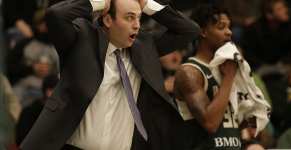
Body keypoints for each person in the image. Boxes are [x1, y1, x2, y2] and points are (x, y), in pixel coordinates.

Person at [20, 0, 200, 149]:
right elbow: (56, 15)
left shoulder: (144, 46)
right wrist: (98, 2)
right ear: (107, 20)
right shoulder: (81, 40)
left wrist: (148, 5)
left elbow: (190, 30)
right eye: (129, 18)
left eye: (138, 18)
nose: (137, 25)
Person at [174, 5, 243, 150]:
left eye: (229, 27)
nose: (229, 32)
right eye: (221, 27)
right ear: (203, 31)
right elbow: (210, 123)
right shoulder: (190, 72)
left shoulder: (229, 67)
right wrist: (229, 78)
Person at [16, 74, 59, 145]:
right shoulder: (29, 111)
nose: (54, 93)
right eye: (51, 89)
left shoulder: (60, 111)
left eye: (56, 90)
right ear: (45, 91)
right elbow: (22, 138)